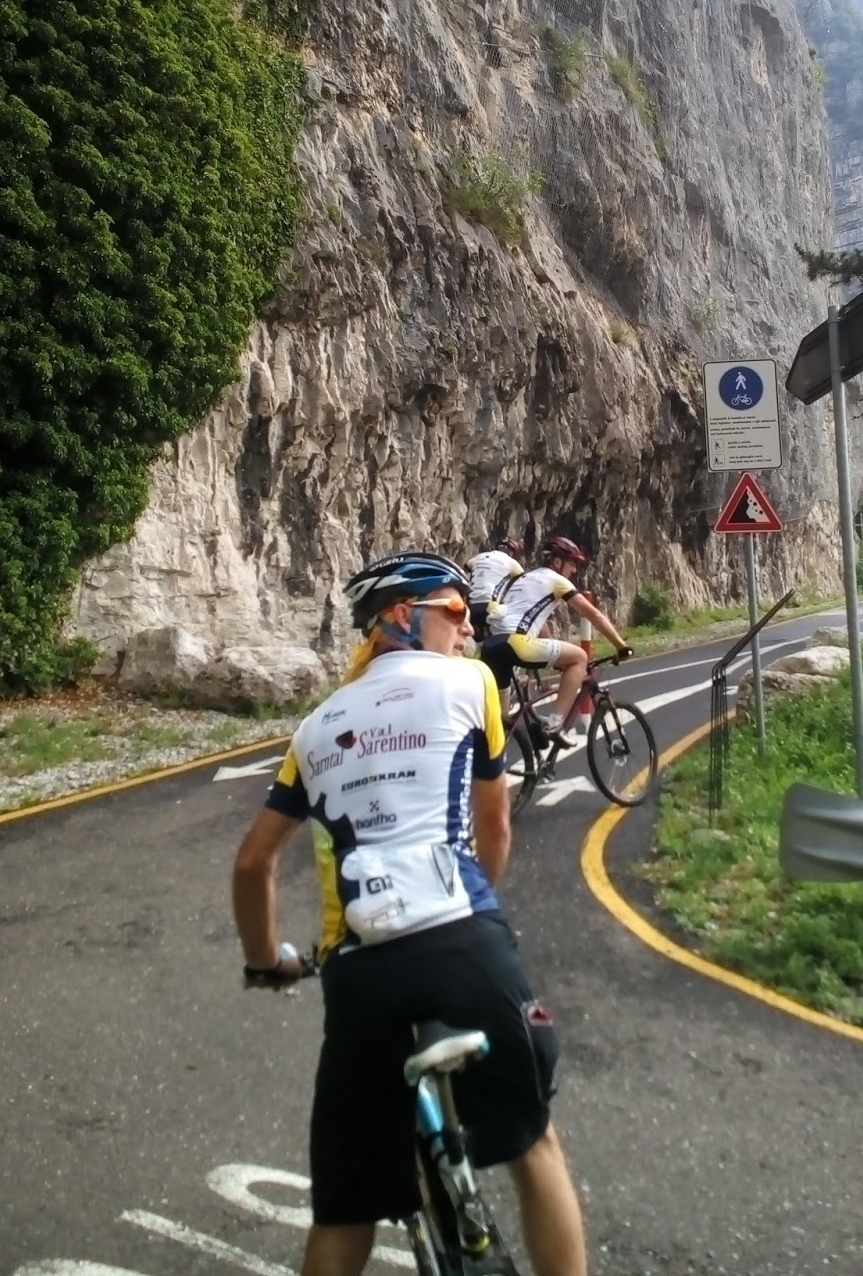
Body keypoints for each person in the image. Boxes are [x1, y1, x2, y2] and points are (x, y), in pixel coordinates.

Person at [231, 549, 587, 1276]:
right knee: (532, 1142)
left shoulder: (314, 727)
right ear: (402, 615)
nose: (466, 629)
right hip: (463, 938)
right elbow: (496, 827)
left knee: (345, 1209)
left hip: (359, 972)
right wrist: (481, 911)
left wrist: (267, 961)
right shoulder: (471, 683)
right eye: (455, 613)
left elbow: (252, 863)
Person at [480, 533, 632, 732]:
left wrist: (556, 656)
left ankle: (501, 760)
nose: (574, 570)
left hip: (491, 647)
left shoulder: (523, 578)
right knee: (579, 657)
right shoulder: (557, 581)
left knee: (500, 725)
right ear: (558, 562)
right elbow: (592, 613)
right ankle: (554, 723)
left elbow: (536, 622)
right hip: (516, 644)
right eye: (572, 564)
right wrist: (621, 646)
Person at [466, 536, 525, 643]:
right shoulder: (511, 562)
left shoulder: (479, 557)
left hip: (470, 605)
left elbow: (467, 566)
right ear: (512, 553)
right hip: (491, 606)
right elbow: (522, 581)